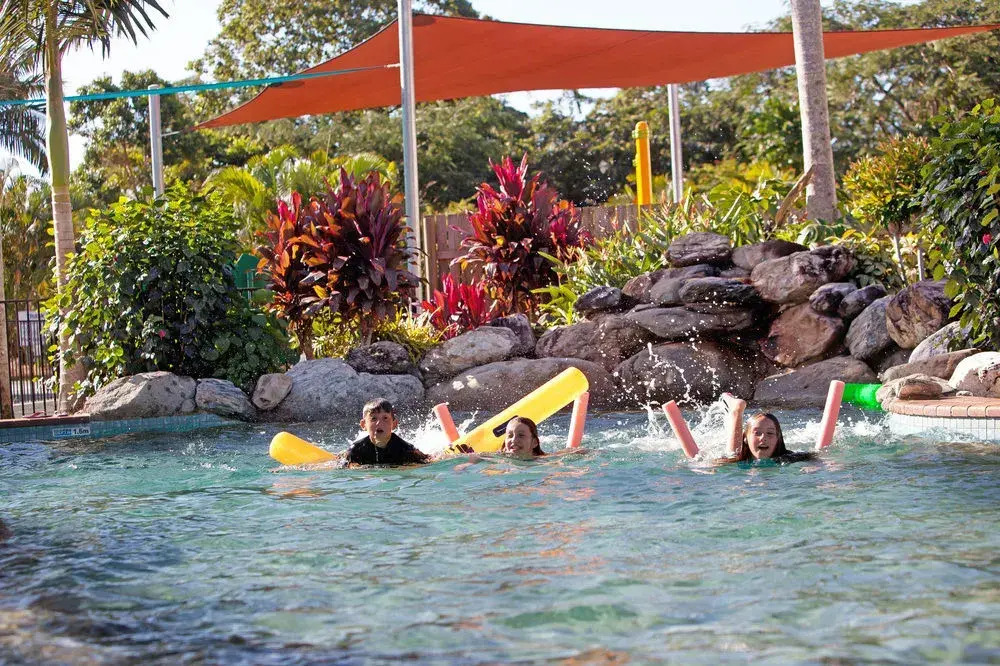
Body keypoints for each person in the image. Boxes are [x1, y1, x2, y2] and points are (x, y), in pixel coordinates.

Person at [715, 393, 815, 464]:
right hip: (738, 455)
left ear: (778, 439)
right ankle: (736, 411)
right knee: (733, 457)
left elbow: (816, 456)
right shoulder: (731, 460)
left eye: (770, 433)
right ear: (745, 438)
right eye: (757, 433)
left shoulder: (789, 459)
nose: (763, 438)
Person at [343, 398, 431, 466]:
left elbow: (429, 461)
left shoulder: (406, 450)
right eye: (373, 418)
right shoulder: (355, 451)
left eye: (385, 418)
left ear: (394, 424)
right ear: (363, 425)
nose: (379, 423)